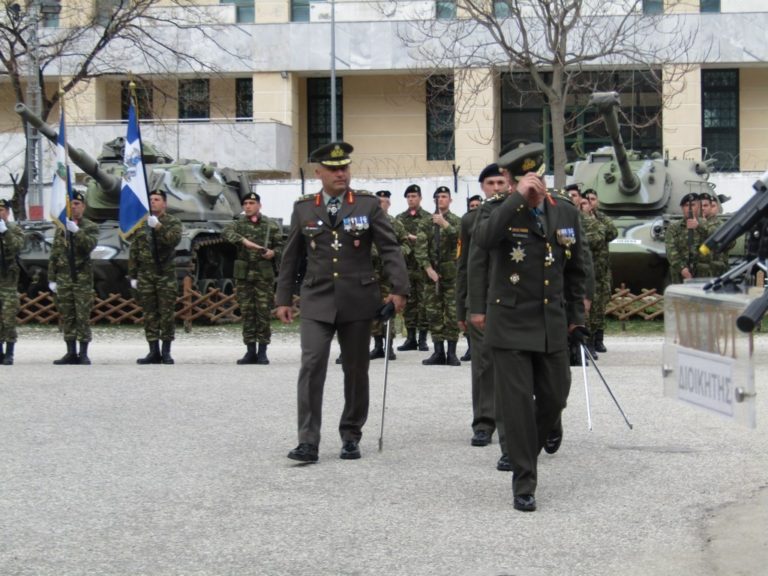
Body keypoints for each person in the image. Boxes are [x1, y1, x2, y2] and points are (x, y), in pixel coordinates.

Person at [470, 142, 587, 512]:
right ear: (511, 180)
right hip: (510, 322)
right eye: (523, 179)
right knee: (517, 407)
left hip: (551, 322)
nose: (533, 183)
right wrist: (516, 199)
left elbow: (577, 269)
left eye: (536, 176)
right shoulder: (497, 212)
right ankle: (524, 480)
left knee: (557, 395)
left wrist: (578, 320)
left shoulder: (564, 212)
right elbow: (484, 242)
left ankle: (537, 438)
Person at [275, 142, 408, 464]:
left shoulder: (366, 205)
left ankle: (351, 434)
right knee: (312, 364)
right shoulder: (304, 208)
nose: (340, 174)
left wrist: (399, 288)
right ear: (318, 172)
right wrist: (283, 298)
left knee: (356, 370)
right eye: (333, 169)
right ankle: (307, 440)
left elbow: (390, 249)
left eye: (344, 168)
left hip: (358, 300)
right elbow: (291, 256)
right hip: (317, 298)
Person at [458, 164, 508, 456]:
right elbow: (465, 268)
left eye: (501, 181)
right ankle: (484, 422)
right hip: (482, 304)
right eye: (490, 182)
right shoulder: (471, 220)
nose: (497, 187)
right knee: (483, 365)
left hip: (513, 302)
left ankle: (511, 420)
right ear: (482, 187)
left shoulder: (521, 216)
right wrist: (461, 309)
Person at [223, 191, 283, 364]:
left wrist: (273, 253)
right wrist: (243, 241)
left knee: (263, 313)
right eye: (245, 204)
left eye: (251, 203)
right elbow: (226, 233)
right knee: (248, 313)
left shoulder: (270, 225)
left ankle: (263, 351)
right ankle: (250, 350)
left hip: (263, 276)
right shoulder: (238, 224)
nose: (248, 206)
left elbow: (281, 247)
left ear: (259, 206)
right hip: (244, 276)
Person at [128, 189, 183, 364]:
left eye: (157, 199)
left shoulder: (172, 222)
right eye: (151, 199)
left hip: (165, 275)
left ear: (164, 203)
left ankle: (166, 351)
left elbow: (173, 240)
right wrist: (133, 275)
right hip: (146, 275)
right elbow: (134, 250)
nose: (153, 202)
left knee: (166, 314)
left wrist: (158, 226)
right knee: (150, 314)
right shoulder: (141, 224)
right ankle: (153, 351)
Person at [47, 191, 100, 365]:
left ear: (83, 207)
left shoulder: (90, 226)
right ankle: (70, 352)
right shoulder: (61, 228)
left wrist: (76, 231)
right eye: (72, 203)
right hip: (64, 278)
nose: (74, 206)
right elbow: (55, 253)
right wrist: (52, 278)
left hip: (81, 279)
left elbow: (88, 246)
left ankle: (83, 352)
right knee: (67, 316)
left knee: (82, 316)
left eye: (78, 203)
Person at [416, 185, 462, 366]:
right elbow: (420, 248)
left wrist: (446, 225)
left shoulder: (457, 221)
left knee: (452, 313)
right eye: (438, 197)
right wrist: (428, 269)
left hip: (451, 275)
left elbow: (461, 242)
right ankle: (438, 352)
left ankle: (451, 352)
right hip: (431, 275)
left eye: (444, 196)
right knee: (433, 313)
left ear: (450, 200)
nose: (441, 199)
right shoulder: (426, 222)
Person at [369, 190, 410, 360]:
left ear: (389, 204)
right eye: (379, 201)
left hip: (388, 275)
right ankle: (378, 345)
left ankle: (389, 347)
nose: (382, 204)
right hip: (371, 274)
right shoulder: (367, 223)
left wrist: (391, 254)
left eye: (385, 201)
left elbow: (406, 246)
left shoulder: (395, 224)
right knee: (372, 310)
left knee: (388, 309)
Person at [581, 188, 618, 354]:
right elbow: (596, 239)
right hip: (588, 272)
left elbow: (612, 232)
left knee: (600, 308)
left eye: (593, 199)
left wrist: (597, 217)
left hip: (602, 272)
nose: (590, 203)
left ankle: (598, 339)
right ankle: (587, 342)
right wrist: (590, 219)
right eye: (587, 200)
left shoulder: (600, 218)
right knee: (589, 310)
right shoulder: (580, 220)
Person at [395, 184, 431, 352]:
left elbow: (431, 241)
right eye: (408, 196)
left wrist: (415, 238)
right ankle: (410, 338)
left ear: (420, 198)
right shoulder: (399, 219)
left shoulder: (428, 218)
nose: (411, 199)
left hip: (423, 268)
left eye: (414, 196)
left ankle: (422, 338)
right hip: (406, 267)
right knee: (408, 303)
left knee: (424, 302)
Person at [665, 193, 712, 283]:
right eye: (686, 206)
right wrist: (682, 269)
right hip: (681, 272)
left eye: (693, 205)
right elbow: (671, 250)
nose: (689, 209)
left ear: (698, 206)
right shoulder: (674, 228)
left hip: (702, 272)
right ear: (682, 208)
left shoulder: (708, 225)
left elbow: (714, 242)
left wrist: (698, 227)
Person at [0, 199, 24, 365]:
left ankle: (9, 353)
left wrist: (5, 232)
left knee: (8, 318)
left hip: (8, 282)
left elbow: (17, 246)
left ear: (7, 212)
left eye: (1, 210)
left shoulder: (14, 229)